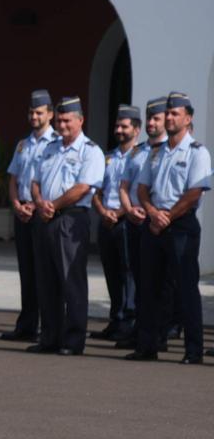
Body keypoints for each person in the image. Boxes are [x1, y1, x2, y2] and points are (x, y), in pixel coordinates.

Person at [127, 91, 210, 364]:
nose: (171, 118)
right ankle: (147, 346)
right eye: (169, 113)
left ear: (188, 118)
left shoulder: (198, 152)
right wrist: (152, 213)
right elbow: (142, 188)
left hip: (181, 226)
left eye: (176, 114)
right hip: (155, 225)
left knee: (185, 289)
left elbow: (194, 193)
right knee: (148, 287)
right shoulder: (155, 152)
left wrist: (167, 216)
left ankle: (193, 350)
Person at [25, 97, 103, 356]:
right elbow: (34, 180)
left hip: (70, 219)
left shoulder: (90, 151)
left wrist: (54, 205)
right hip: (45, 217)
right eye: (59, 120)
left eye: (67, 120)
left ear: (80, 120)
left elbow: (83, 187)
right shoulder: (49, 147)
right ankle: (49, 337)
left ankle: (73, 340)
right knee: (46, 282)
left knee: (71, 281)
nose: (62, 124)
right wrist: (39, 202)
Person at [0, 90, 56, 341]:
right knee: (27, 271)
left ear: (50, 114)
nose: (34, 116)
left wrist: (35, 204)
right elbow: (13, 178)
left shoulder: (55, 143)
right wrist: (15, 203)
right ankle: (27, 324)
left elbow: (51, 182)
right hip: (22, 211)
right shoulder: (23, 144)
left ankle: (47, 325)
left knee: (44, 272)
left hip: (42, 212)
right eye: (32, 112)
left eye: (39, 112)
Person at [115, 96, 167, 351]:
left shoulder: (170, 151)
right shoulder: (137, 152)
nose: (152, 124)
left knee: (160, 282)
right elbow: (123, 187)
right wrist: (128, 210)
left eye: (156, 119)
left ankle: (160, 332)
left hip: (159, 222)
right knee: (137, 278)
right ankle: (140, 330)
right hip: (135, 221)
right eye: (150, 119)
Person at [91, 104, 141, 341]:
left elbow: (138, 192)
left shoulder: (141, 156)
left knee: (129, 273)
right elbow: (96, 191)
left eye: (125, 126)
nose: (119, 130)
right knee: (111, 273)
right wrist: (102, 212)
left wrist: (120, 213)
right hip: (106, 220)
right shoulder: (107, 157)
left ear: (136, 130)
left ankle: (129, 322)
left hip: (126, 220)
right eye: (117, 125)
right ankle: (116, 319)